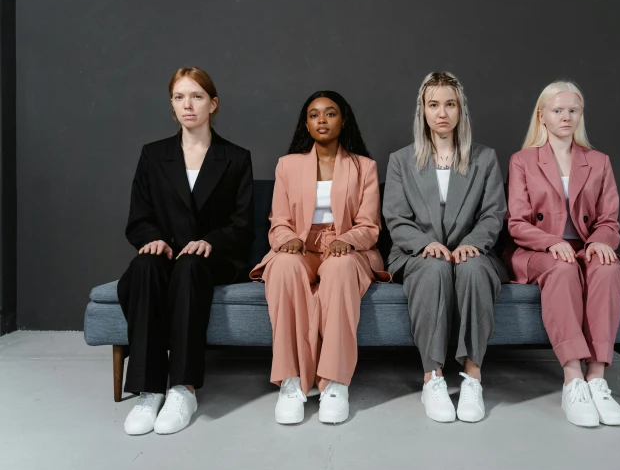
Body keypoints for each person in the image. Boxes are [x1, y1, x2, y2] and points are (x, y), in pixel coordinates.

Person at [119, 67, 254, 435]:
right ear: (172, 105)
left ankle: (183, 388)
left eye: (196, 96)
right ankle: (149, 390)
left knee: (192, 266)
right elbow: (138, 217)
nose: (187, 105)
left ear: (213, 104)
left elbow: (242, 226)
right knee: (145, 267)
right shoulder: (153, 155)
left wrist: (210, 241)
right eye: (179, 97)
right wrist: (153, 239)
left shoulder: (236, 157)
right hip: (166, 257)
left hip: (213, 259)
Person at [504, 81, 620, 427]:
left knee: (607, 269)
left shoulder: (598, 161)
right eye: (558, 110)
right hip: (537, 250)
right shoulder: (522, 160)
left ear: (581, 115)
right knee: (562, 270)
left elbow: (609, 219)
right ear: (542, 115)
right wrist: (550, 243)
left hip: (585, 247)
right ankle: (572, 379)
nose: (566, 117)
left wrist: (599, 242)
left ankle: (597, 377)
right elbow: (516, 222)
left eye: (573, 110)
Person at [250, 91, 387, 425]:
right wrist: (289, 240)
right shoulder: (288, 165)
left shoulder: (363, 166)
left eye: (330, 113)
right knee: (282, 265)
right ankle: (290, 380)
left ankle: (335, 383)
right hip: (300, 244)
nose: (322, 120)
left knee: (340, 269)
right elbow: (278, 221)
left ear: (343, 120)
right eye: (314, 115)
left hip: (345, 247)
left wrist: (346, 240)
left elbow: (369, 225)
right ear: (306, 123)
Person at [383, 72, 507, 423]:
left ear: (461, 110)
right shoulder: (401, 161)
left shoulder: (485, 159)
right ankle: (432, 378)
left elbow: (493, 212)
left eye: (450, 104)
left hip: (473, 251)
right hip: (417, 254)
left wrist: (472, 243)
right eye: (433, 104)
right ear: (422, 110)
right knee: (435, 268)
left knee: (472, 269)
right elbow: (396, 217)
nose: (442, 113)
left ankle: (472, 377)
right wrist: (427, 244)